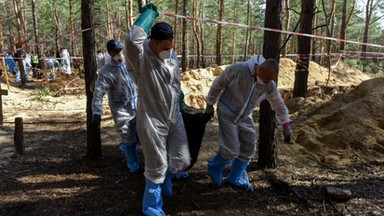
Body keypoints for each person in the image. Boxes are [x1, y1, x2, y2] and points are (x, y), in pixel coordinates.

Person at [125, 3, 190, 215]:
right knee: (156, 166)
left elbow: (174, 82)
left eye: (171, 46)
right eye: (165, 46)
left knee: (182, 159)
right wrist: (148, 15)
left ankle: (166, 181)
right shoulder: (141, 57)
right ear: (153, 42)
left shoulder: (170, 54)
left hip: (173, 115)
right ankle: (151, 207)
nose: (169, 50)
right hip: (152, 118)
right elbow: (131, 39)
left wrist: (179, 98)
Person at [204, 55, 292, 191]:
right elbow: (219, 83)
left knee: (250, 145)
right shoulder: (239, 69)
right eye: (267, 79)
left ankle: (235, 176)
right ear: (259, 69)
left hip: (244, 116)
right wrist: (210, 103)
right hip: (227, 111)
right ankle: (215, 167)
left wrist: (286, 124)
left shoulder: (269, 85)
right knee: (231, 148)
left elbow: (278, 104)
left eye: (271, 80)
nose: (268, 82)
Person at [92, 39, 139, 173]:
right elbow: (99, 92)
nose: (119, 54)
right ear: (110, 52)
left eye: (120, 51)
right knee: (127, 134)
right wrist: (97, 112)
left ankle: (136, 154)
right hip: (121, 109)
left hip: (136, 104)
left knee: (141, 133)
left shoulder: (130, 64)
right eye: (116, 52)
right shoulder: (106, 72)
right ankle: (133, 164)